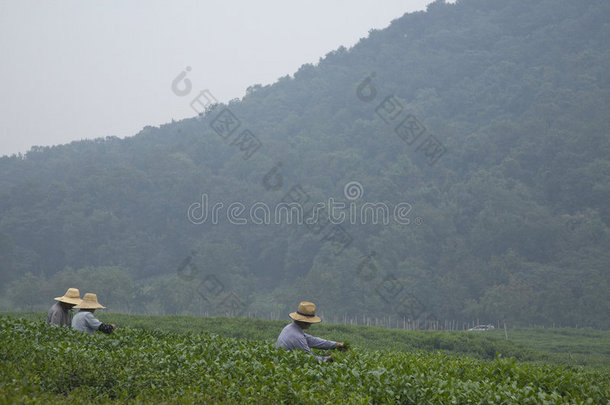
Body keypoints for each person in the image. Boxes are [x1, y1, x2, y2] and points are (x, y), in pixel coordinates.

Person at [276, 301, 345, 361]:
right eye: (310, 322)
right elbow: (310, 359)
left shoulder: (290, 328)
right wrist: (329, 358)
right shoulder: (297, 336)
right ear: (305, 322)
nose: (311, 324)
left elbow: (313, 341)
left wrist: (335, 345)